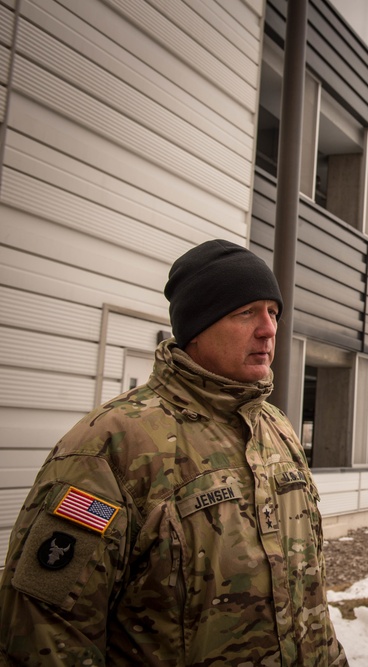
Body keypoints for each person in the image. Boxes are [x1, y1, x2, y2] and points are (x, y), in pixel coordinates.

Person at [0, 240, 349, 666]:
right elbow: (45, 632)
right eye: (246, 313)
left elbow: (308, 598)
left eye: (273, 312)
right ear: (196, 327)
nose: (269, 329)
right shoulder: (110, 445)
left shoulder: (275, 428)